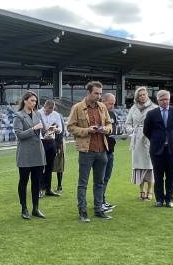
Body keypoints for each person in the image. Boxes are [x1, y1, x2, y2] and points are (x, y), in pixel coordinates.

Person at [67, 81, 113, 221]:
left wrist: (106, 129)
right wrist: (87, 130)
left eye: (100, 93)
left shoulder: (102, 107)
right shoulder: (78, 108)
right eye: (96, 93)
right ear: (88, 92)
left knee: (99, 182)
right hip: (86, 151)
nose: (99, 96)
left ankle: (99, 209)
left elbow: (109, 123)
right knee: (83, 183)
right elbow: (70, 127)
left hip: (102, 149)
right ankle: (83, 211)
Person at [142, 89, 173, 207]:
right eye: (162, 99)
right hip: (156, 149)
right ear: (158, 100)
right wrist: (156, 140)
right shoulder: (151, 114)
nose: (165, 102)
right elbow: (146, 131)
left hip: (172, 149)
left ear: (169, 100)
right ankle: (159, 199)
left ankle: (169, 199)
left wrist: (171, 139)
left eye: (166, 99)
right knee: (158, 175)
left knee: (170, 175)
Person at [12, 91, 47, 219]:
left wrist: (50, 130)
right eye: (32, 100)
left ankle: (36, 208)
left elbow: (43, 130)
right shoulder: (18, 116)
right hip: (25, 153)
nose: (34, 103)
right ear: (25, 100)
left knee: (36, 182)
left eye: (35, 101)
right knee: (23, 181)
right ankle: (24, 209)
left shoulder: (38, 114)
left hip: (38, 151)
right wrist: (33, 129)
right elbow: (20, 135)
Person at [126, 87, 155, 201]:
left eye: (144, 94)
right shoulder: (133, 108)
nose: (142, 96)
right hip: (137, 140)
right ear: (137, 97)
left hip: (149, 140)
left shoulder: (154, 108)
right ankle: (141, 191)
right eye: (140, 95)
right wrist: (132, 131)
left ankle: (149, 191)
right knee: (139, 166)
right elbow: (128, 123)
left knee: (150, 166)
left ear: (147, 95)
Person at [38, 99, 64, 197]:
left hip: (51, 142)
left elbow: (60, 129)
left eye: (51, 110)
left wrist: (55, 130)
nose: (49, 112)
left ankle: (48, 188)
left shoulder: (56, 115)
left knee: (50, 167)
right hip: (40, 142)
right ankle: (40, 188)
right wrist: (43, 133)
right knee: (40, 166)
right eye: (48, 110)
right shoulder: (38, 113)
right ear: (44, 107)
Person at [100, 93, 118, 213]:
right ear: (103, 101)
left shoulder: (112, 114)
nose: (112, 106)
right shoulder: (99, 113)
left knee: (106, 177)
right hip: (101, 150)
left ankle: (102, 200)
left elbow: (114, 129)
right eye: (110, 103)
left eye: (113, 104)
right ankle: (99, 202)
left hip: (111, 149)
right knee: (100, 178)